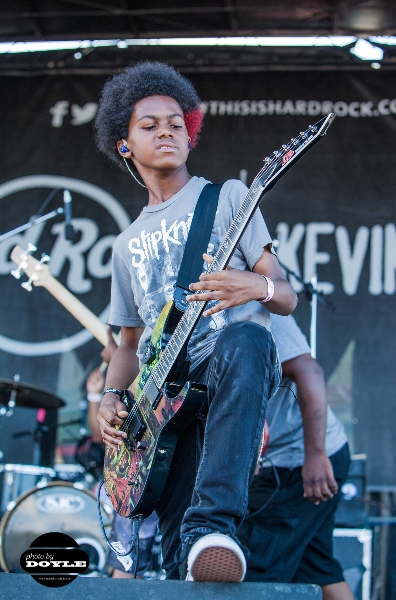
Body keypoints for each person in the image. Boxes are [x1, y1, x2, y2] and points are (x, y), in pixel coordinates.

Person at [94, 61, 297, 582]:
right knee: (175, 558)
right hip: (163, 403)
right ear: (124, 146)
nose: (167, 131)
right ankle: (192, 551)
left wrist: (257, 286)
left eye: (176, 123)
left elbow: (285, 296)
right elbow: (128, 344)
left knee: (248, 338)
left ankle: (215, 526)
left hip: (226, 371)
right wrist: (110, 401)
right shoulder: (125, 244)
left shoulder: (227, 197)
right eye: (150, 125)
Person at [238, 314, 354, 600]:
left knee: (257, 574)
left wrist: (315, 455)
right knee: (316, 568)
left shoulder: (254, 302)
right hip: (298, 459)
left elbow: (309, 371)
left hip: (300, 462)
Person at [85, 329, 159, 579]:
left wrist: (116, 353)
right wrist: (97, 395)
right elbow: (100, 435)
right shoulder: (120, 380)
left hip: (149, 460)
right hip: (130, 468)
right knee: (129, 552)